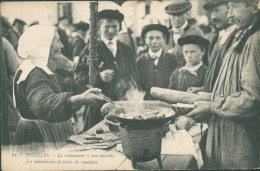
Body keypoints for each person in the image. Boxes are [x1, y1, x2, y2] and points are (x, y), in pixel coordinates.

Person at [186, 0, 260, 169]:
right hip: (226, 137)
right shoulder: (243, 35)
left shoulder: (256, 40)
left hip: (239, 143)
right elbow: (235, 87)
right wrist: (211, 95)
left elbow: (252, 99)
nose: (229, 14)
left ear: (254, 8)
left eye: (234, 7)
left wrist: (212, 106)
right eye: (229, 8)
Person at [12, 25, 103, 153]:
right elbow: (42, 103)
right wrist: (78, 99)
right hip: (39, 137)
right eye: (58, 41)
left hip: (42, 133)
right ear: (44, 45)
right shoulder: (35, 74)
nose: (62, 46)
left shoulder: (31, 67)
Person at [75, 9, 140, 130]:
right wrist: (98, 76)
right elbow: (78, 77)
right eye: (107, 26)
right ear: (99, 27)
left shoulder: (126, 49)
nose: (111, 30)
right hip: (98, 108)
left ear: (119, 27)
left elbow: (135, 76)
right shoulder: (90, 50)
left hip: (123, 106)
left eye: (114, 26)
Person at [188, 0, 237, 94]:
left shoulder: (238, 39)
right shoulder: (219, 37)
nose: (212, 17)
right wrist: (203, 88)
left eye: (216, 10)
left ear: (231, 9)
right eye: (212, 12)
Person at [137, 24, 178, 99]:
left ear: (164, 39)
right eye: (150, 38)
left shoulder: (171, 59)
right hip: (146, 102)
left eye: (158, 38)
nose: (154, 41)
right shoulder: (140, 60)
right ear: (145, 40)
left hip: (166, 100)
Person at [165, 0, 204, 67]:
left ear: (186, 14)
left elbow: (204, 58)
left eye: (180, 15)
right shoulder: (165, 34)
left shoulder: (196, 32)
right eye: (173, 15)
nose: (176, 19)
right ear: (169, 17)